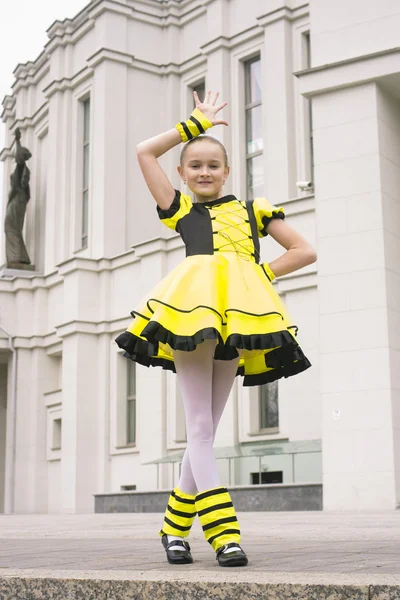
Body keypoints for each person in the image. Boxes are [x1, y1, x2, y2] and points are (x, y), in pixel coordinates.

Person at [115, 90, 317, 567]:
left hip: (239, 318)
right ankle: (224, 534)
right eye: (194, 166)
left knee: (205, 432)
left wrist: (257, 276)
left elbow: (304, 251)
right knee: (201, 427)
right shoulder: (183, 211)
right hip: (190, 313)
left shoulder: (254, 211)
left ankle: (172, 531)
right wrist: (190, 125)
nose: (204, 172)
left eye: (212, 165)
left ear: (227, 171)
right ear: (183, 174)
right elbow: (145, 151)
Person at [5, 128, 32, 266]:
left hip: (18, 201)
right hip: (17, 201)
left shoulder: (21, 168)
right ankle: (20, 257)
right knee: (13, 228)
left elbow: (19, 158)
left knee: (11, 227)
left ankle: (16, 256)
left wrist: (17, 140)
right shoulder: (19, 170)